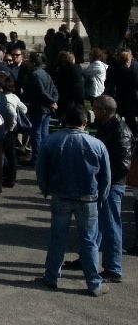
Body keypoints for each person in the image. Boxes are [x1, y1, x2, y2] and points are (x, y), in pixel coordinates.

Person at [35, 104, 112, 296]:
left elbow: (41, 169)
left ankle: (51, 277)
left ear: (64, 121)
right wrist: (101, 196)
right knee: (89, 240)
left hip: (60, 195)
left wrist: (45, 188)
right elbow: (106, 176)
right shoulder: (97, 144)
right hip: (88, 198)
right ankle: (94, 283)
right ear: (85, 122)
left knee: (57, 237)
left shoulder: (51, 141)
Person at [65, 96, 133, 283]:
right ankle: (88, 259)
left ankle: (113, 268)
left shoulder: (121, 131)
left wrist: (104, 177)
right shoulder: (108, 126)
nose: (92, 111)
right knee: (94, 224)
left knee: (110, 225)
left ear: (104, 111)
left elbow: (123, 164)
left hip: (112, 185)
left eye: (95, 108)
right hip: (103, 182)